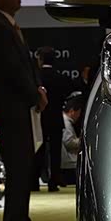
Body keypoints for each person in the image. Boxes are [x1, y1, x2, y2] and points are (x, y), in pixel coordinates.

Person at [0, 0, 48, 221]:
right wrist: (35, 95)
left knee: (23, 167)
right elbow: (13, 70)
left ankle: (21, 219)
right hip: (12, 110)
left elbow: (25, 66)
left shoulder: (8, 25)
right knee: (18, 168)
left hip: (18, 108)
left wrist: (38, 90)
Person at [37, 47, 72, 192]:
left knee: (39, 149)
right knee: (55, 151)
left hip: (40, 117)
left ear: (41, 59)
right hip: (56, 118)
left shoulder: (36, 76)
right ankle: (54, 181)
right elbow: (67, 93)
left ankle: (34, 181)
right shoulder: (60, 77)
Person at [60, 92, 84, 186]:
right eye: (78, 113)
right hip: (68, 163)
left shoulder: (65, 121)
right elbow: (69, 142)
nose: (78, 116)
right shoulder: (66, 122)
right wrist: (81, 140)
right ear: (72, 111)